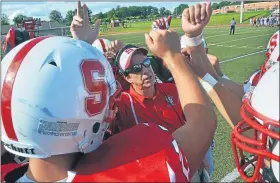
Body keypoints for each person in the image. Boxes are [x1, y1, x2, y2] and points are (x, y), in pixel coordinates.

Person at [1, 1, 217, 182]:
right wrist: (173, 55)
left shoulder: (7, 172)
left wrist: (78, 47)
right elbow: (202, 125)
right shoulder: (127, 167)